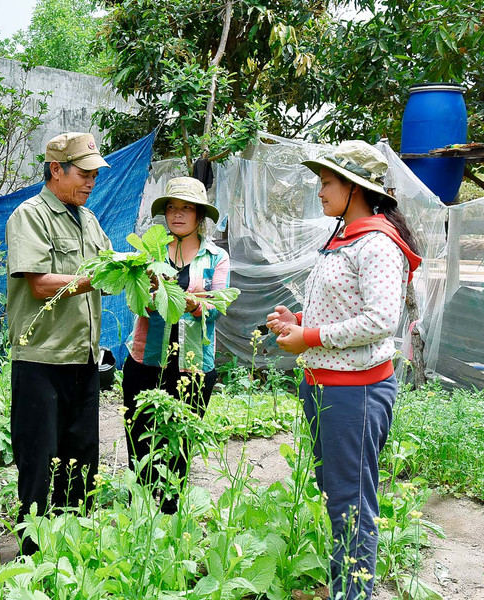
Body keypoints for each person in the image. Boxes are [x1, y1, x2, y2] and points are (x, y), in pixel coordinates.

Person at [266, 141, 422, 600]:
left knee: (352, 504)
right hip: (326, 388)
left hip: (356, 394)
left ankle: (353, 593)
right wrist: (298, 322)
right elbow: (344, 309)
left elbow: (380, 321)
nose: (319, 190)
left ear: (354, 187)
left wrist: (309, 338)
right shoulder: (344, 240)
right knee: (339, 495)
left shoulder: (376, 244)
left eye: (327, 182)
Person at [5, 132, 112, 554]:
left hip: (83, 359)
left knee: (81, 458)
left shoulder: (89, 220)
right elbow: (38, 284)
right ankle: (31, 557)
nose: (91, 182)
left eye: (94, 176)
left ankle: (72, 548)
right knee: (39, 460)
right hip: (41, 360)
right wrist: (94, 279)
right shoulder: (29, 216)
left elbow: (111, 269)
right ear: (56, 169)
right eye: (84, 174)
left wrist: (138, 273)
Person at [122, 176, 230, 514]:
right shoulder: (148, 254)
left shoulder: (216, 257)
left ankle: (170, 511)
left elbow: (219, 306)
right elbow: (135, 302)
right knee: (139, 437)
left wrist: (193, 304)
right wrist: (156, 300)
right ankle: (139, 510)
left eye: (186, 208)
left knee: (181, 438)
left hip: (194, 364)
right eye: (172, 208)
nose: (178, 214)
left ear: (200, 216)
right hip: (146, 359)